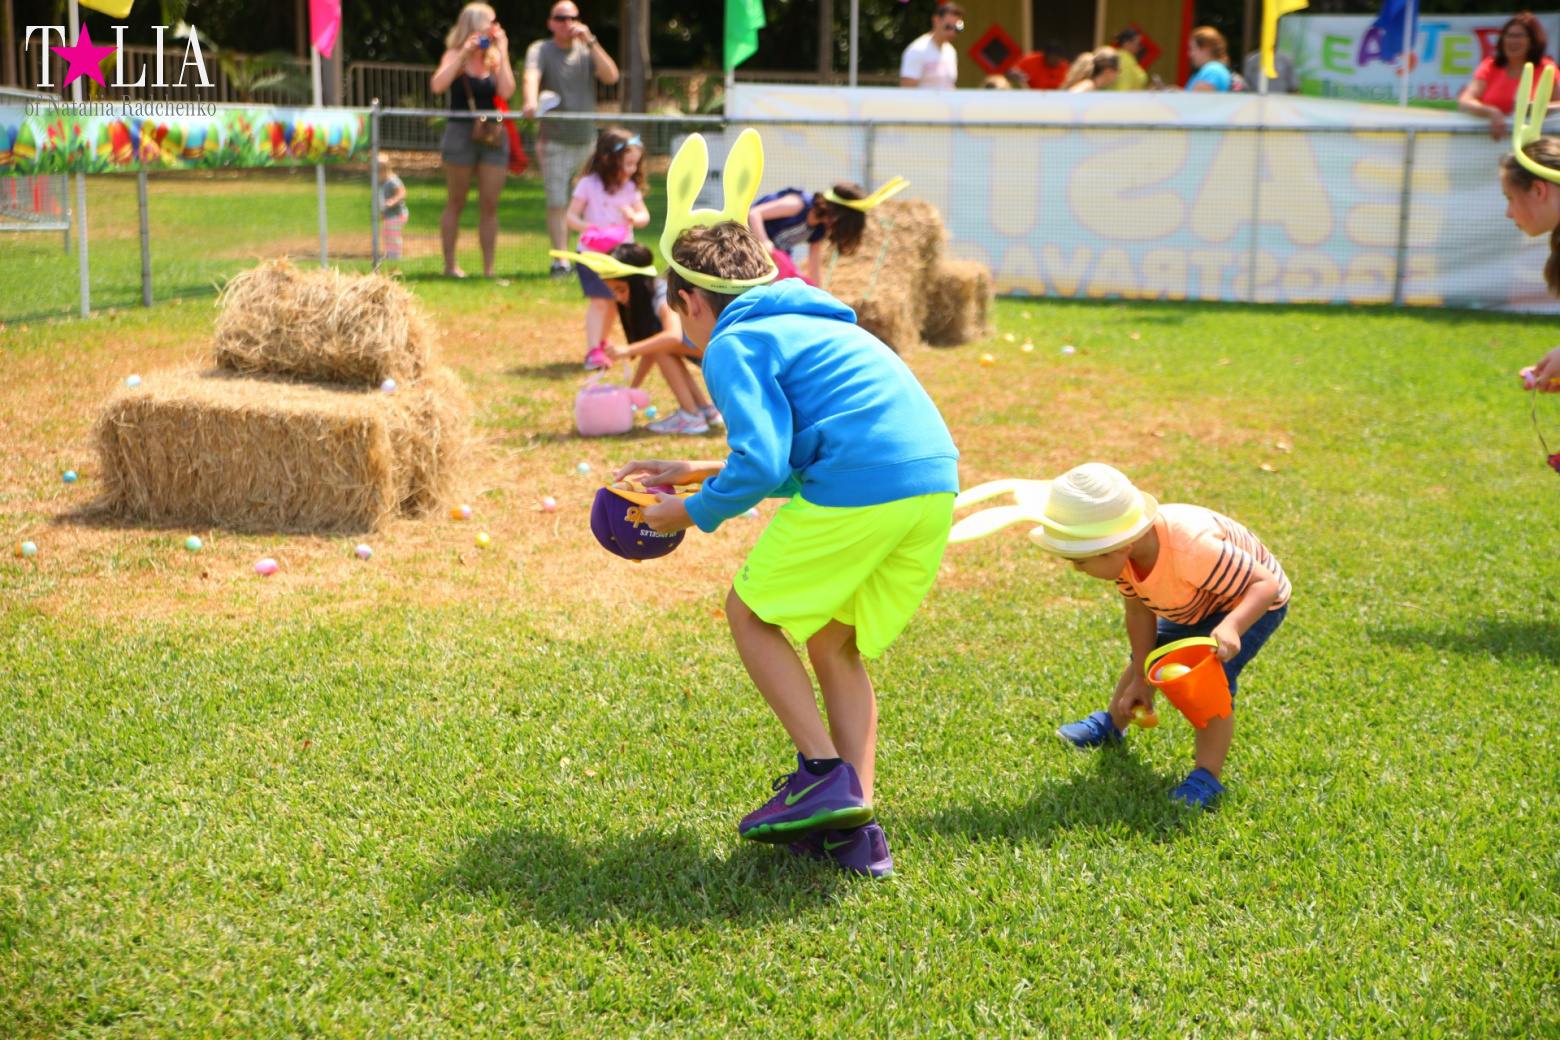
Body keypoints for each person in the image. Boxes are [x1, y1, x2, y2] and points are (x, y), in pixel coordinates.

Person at [615, 131, 960, 878]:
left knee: (750, 613)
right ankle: (854, 827)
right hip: (930, 486)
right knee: (833, 640)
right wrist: (702, 465)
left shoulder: (735, 344)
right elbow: (804, 451)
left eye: (682, 320)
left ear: (689, 303)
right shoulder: (807, 319)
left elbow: (768, 461)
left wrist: (692, 512)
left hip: (865, 489)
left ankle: (820, 772)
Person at [1041, 464, 1290, 808]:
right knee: (1148, 657)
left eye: (1080, 561)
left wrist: (1231, 626)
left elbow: (1264, 585)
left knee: (1208, 681)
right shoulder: (1127, 556)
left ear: (1117, 547)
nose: (1076, 569)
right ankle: (1113, 725)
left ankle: (1207, 777)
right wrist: (1143, 678)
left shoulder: (1194, 551)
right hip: (1190, 600)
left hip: (1245, 602)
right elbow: (1140, 612)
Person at [523, 1, 621, 277]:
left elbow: (611, 76)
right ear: (551, 22)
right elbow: (531, 77)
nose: (568, 23)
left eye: (573, 18)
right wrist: (530, 102)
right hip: (554, 141)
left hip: (587, 143)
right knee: (558, 202)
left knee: (591, 201)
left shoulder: (586, 50)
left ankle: (590, 256)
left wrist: (591, 41)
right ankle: (560, 262)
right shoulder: (540, 49)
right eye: (561, 18)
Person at [585, 242, 724, 434]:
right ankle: (703, 409)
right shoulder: (647, 297)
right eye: (613, 291)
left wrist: (628, 350)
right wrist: (630, 390)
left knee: (662, 345)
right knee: (660, 347)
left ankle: (691, 417)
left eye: (621, 289)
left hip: (716, 348)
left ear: (637, 282)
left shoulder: (661, 293)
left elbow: (672, 337)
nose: (618, 297)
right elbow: (652, 351)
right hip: (705, 348)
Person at [430, 3, 515, 278]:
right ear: (476, 25)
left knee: (490, 204)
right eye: (491, 22)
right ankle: (450, 266)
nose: (496, 28)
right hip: (460, 133)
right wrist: (464, 54)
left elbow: (507, 91)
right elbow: (438, 85)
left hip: (492, 134)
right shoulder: (455, 54)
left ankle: (489, 270)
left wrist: (503, 51)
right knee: (456, 202)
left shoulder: (494, 57)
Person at [568, 128, 650, 370]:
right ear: (607, 159)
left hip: (619, 258)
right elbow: (570, 217)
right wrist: (587, 226)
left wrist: (635, 217)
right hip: (592, 255)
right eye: (627, 164)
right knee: (600, 301)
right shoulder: (588, 184)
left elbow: (644, 216)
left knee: (614, 302)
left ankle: (601, 344)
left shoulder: (629, 188)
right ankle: (593, 351)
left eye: (635, 164)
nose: (632, 170)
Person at [1459, 13, 1557, 141]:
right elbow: (1465, 101)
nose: (1513, 41)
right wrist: (1492, 111)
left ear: (1532, 40)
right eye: (1509, 35)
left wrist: (1536, 108)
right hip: (1487, 142)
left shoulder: (1547, 68)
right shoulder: (1490, 66)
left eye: (1519, 36)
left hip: (1532, 144)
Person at [746, 184, 867, 287]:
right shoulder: (798, 204)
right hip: (746, 242)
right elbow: (754, 214)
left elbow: (814, 267)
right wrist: (765, 241)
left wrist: (819, 294)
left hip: (769, 257)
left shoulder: (818, 230)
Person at [900, 3, 963, 89]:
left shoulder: (951, 52)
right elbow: (906, 90)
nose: (952, 32)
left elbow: (949, 85)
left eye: (957, 28)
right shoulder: (917, 50)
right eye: (948, 26)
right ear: (936, 20)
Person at [1186, 27, 1232, 93]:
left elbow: (1197, 101)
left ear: (1205, 49)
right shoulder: (1212, 70)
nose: (1190, 54)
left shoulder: (1212, 71)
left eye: (1193, 49)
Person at [379, 162, 408, 263]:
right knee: (386, 234)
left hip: (397, 214)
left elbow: (402, 193)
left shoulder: (393, 181)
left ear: (382, 170)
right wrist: (384, 212)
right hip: (389, 215)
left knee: (394, 235)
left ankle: (396, 257)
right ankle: (389, 254)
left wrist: (392, 201)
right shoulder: (385, 182)